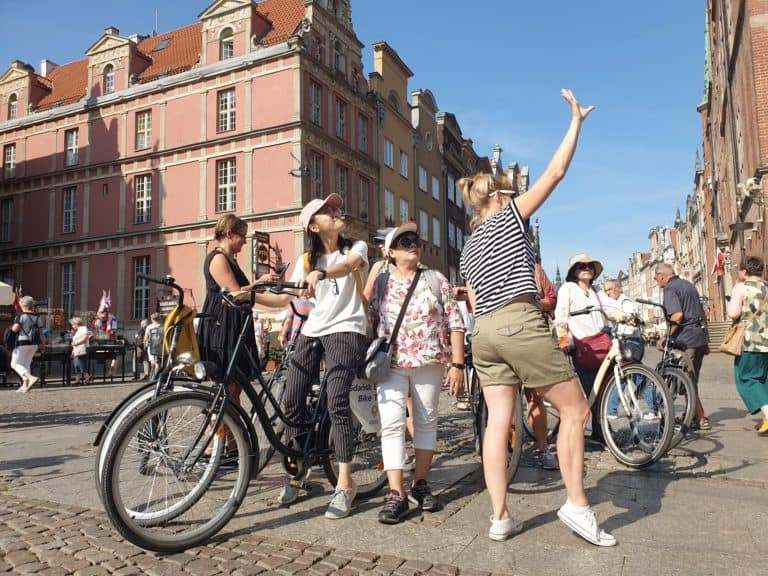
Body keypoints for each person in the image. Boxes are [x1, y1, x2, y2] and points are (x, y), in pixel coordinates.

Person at [459, 89, 615, 546]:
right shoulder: (508, 217)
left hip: (484, 333)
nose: (513, 191)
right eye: (506, 188)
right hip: (517, 323)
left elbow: (471, 300)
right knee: (575, 409)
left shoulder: (468, 247)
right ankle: (577, 505)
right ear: (496, 195)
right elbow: (557, 171)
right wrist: (575, 124)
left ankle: (500, 516)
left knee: (498, 422)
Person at [366, 223, 465, 524]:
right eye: (404, 241)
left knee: (425, 421)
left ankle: (420, 483)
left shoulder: (436, 279)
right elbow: (366, 312)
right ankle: (396, 493)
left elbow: (455, 321)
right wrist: (372, 270)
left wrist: (458, 364)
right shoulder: (382, 281)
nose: (413, 245)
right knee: (393, 424)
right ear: (391, 251)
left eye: (416, 241)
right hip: (391, 363)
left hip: (429, 361)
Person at [278, 193, 370, 519]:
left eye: (335, 208)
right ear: (314, 226)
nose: (336, 211)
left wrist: (322, 274)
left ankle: (345, 484)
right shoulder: (305, 260)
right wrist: (249, 294)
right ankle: (297, 468)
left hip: (347, 328)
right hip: (313, 329)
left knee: (336, 400)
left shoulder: (355, 248)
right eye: (328, 211)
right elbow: (284, 299)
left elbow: (347, 268)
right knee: (290, 400)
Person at [555, 253, 612, 442]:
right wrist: (562, 337)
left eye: (589, 266)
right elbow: (561, 315)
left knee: (604, 388)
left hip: (601, 343)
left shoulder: (597, 291)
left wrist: (629, 314)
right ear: (574, 271)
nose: (586, 268)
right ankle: (598, 431)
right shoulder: (568, 289)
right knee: (591, 389)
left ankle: (600, 430)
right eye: (581, 266)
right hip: (581, 344)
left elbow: (610, 308)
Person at [654, 262, 710, 430]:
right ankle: (691, 416)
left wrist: (665, 337)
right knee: (691, 379)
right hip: (699, 337)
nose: (657, 281)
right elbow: (702, 312)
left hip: (686, 340)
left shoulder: (670, 288)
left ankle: (701, 418)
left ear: (663, 276)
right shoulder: (688, 285)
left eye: (656, 278)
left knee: (687, 381)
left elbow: (677, 316)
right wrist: (706, 341)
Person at [727, 256, 768, 436]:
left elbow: (733, 313)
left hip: (750, 341)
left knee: (747, 379)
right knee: (763, 379)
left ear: (745, 271)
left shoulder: (741, 287)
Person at [527, 262, 559, 469]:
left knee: (535, 396)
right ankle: (505, 447)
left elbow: (551, 299)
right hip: (500, 336)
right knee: (502, 401)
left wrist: (535, 304)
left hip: (533, 337)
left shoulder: (535, 269)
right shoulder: (483, 259)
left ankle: (543, 448)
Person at [10, 296, 46, 393]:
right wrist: (43, 345)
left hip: (22, 342)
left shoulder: (21, 316)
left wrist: (12, 327)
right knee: (26, 364)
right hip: (34, 344)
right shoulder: (37, 317)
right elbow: (41, 333)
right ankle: (25, 385)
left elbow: (15, 329)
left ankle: (30, 377)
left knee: (14, 364)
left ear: (22, 305)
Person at [70, 317, 91, 385]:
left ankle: (87, 378)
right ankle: (77, 380)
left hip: (82, 349)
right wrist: (73, 351)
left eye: (73, 325)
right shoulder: (78, 330)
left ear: (76, 324)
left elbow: (85, 338)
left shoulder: (83, 328)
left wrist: (76, 343)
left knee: (82, 364)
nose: (72, 326)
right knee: (77, 365)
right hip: (77, 350)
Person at [144, 313, 163, 380]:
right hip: (160, 346)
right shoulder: (162, 326)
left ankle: (152, 377)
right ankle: (156, 377)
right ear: (159, 319)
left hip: (151, 346)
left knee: (152, 362)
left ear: (152, 319)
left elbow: (146, 337)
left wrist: (145, 344)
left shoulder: (149, 327)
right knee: (158, 362)